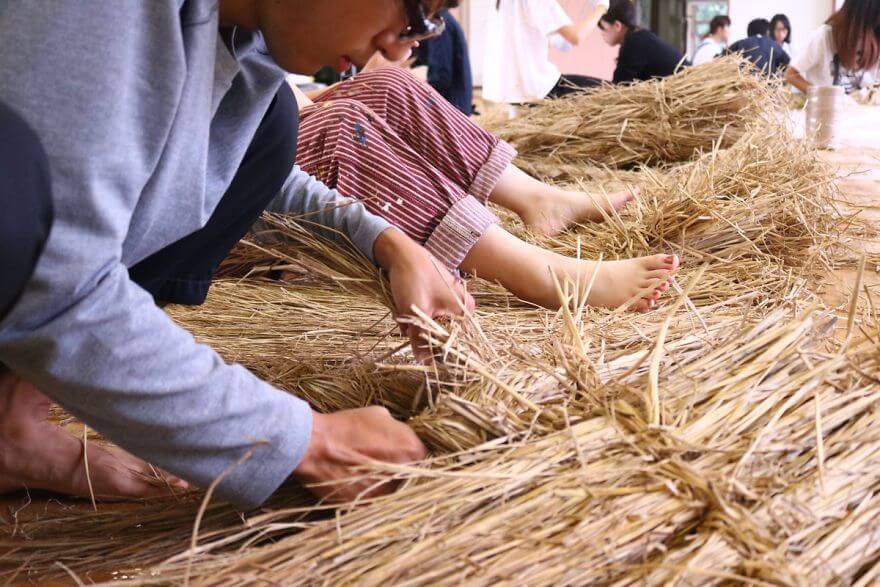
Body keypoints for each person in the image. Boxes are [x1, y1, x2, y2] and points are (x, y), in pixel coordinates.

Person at [0, 1, 481, 508]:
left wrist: (392, 245)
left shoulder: (239, 42)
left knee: (270, 130)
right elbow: (52, 273)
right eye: (418, 8)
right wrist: (301, 441)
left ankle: (12, 421)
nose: (401, 45)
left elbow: (226, 169)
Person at [286, 66, 680, 311]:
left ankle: (540, 200)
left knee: (389, 85)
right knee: (338, 127)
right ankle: (537, 272)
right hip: (229, 197)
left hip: (256, 127)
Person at [484, 0, 611, 103]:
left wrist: (554, 41)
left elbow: (522, 38)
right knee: (611, 91)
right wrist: (601, 7)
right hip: (542, 89)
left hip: (516, 95)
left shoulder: (501, 3)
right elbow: (577, 36)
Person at [785, 0, 880, 95]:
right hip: (826, 107)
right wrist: (821, 95)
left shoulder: (875, 40)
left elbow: (873, 83)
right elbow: (791, 74)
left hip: (861, 108)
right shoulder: (824, 36)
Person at [598, 0, 688, 84]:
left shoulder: (634, 43)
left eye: (603, 28)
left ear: (617, 26)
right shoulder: (640, 37)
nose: (602, 34)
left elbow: (618, 87)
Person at [413, 9, 473, 115]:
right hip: (455, 102)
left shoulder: (439, 23)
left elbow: (441, 75)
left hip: (451, 107)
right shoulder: (441, 17)